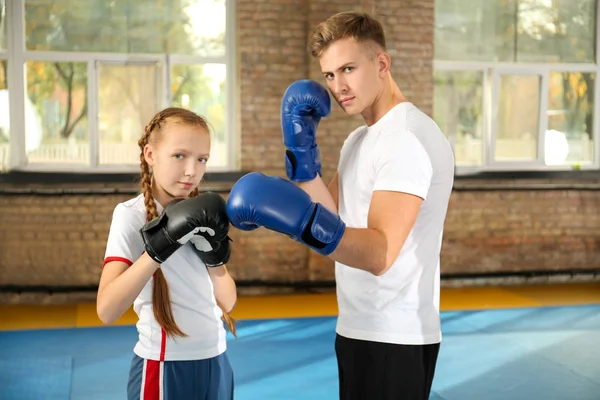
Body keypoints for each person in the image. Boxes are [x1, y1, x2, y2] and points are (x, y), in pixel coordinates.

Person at [226, 11, 454, 400]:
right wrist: (302, 156)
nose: (338, 86)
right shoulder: (360, 140)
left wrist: (299, 220)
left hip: (393, 337)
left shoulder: (404, 139)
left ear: (381, 63)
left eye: (348, 68)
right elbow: (333, 219)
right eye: (329, 75)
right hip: (358, 326)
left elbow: (380, 253)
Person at [96, 107, 237, 400]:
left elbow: (228, 301)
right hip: (164, 367)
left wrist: (215, 258)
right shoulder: (131, 216)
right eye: (179, 156)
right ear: (150, 155)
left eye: (202, 159)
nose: (191, 171)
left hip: (217, 359)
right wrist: (158, 248)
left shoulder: (205, 215)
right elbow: (107, 310)